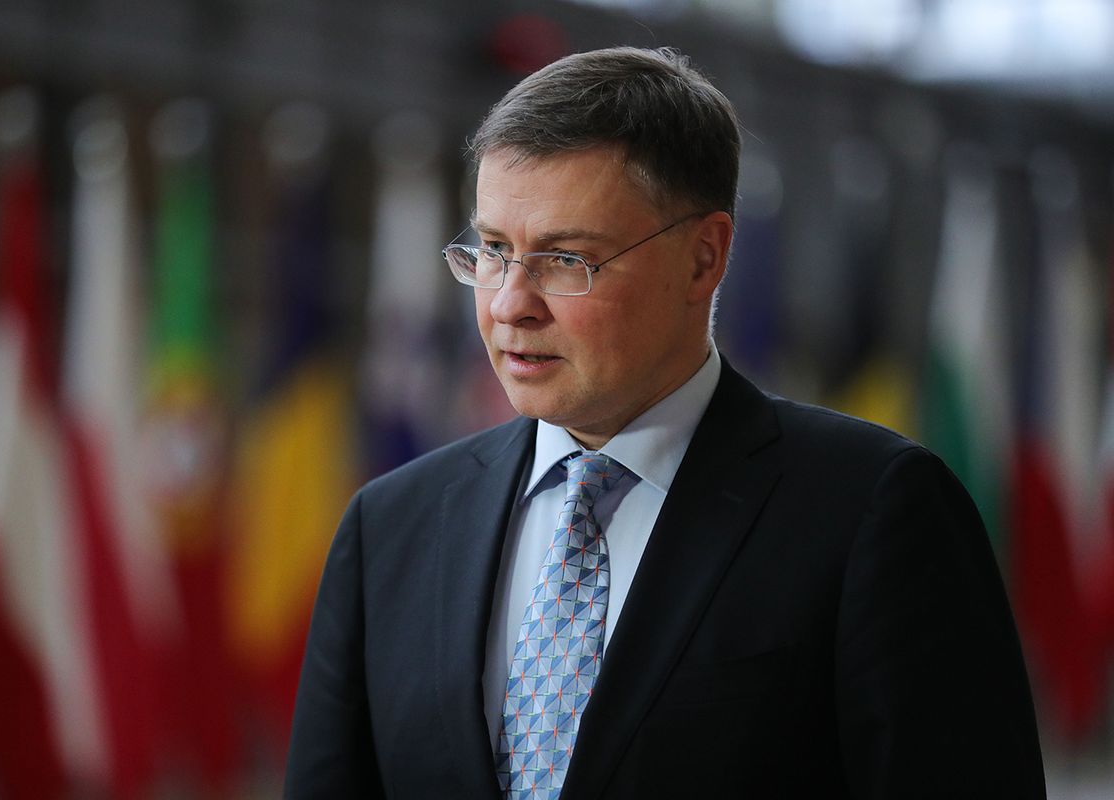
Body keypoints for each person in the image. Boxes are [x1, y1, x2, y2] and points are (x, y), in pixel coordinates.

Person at [284, 46, 1045, 799]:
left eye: (565, 260)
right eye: (491, 251)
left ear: (703, 259)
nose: (510, 303)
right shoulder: (390, 527)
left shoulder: (874, 511)